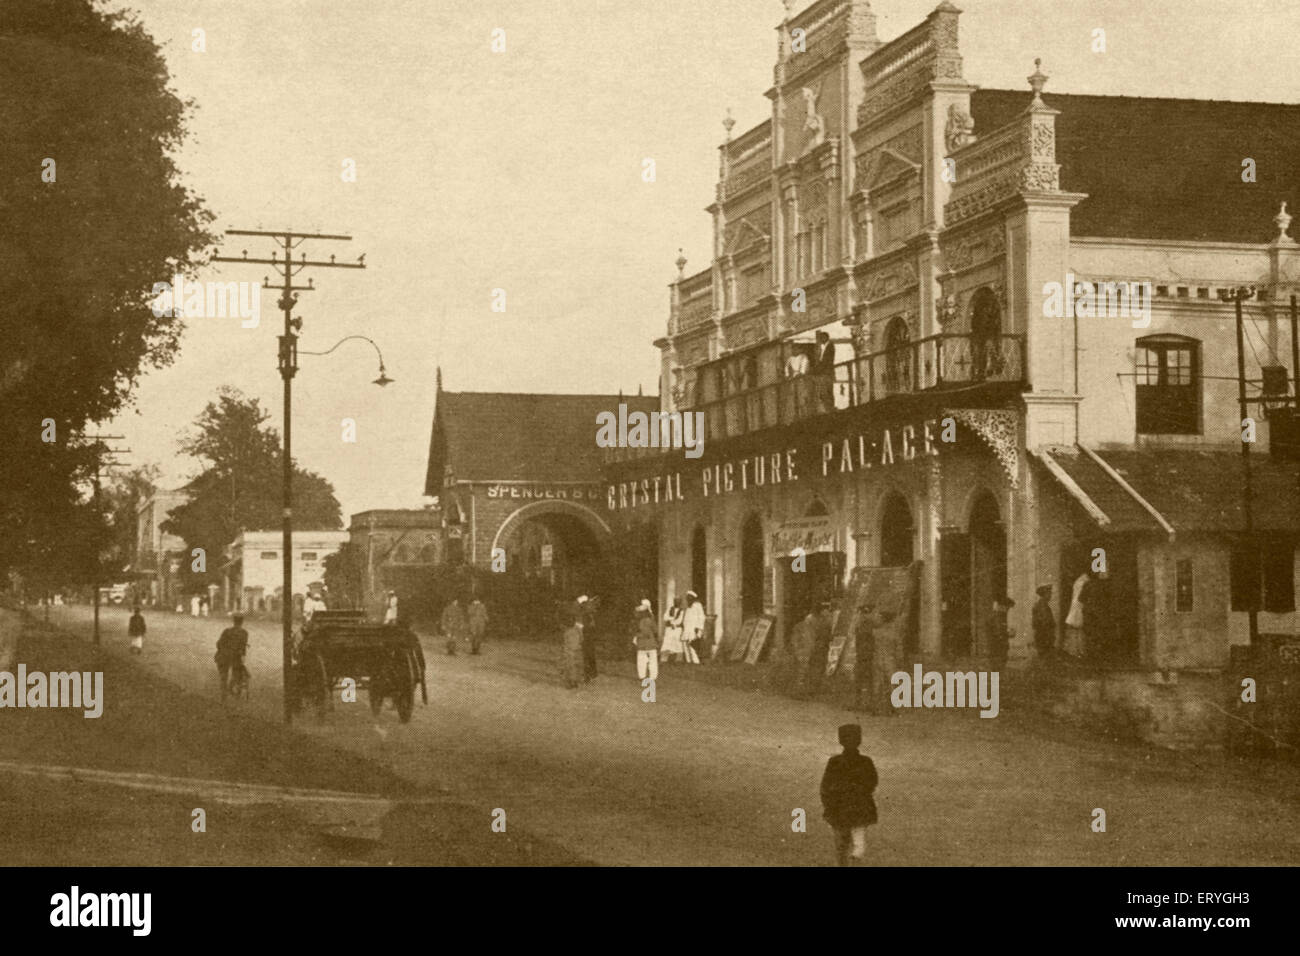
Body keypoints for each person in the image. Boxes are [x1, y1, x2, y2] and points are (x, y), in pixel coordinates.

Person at [820, 723, 878, 867]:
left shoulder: (836, 762)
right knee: (855, 847)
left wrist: (830, 804)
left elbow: (826, 787)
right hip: (856, 810)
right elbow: (871, 783)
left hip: (843, 810)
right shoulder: (865, 761)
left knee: (845, 847)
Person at [853, 602, 896, 714]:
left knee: (875, 683)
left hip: (873, 658)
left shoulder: (874, 630)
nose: (865, 615)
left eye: (866, 613)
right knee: (889, 683)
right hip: (886, 659)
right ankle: (891, 707)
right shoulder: (890, 631)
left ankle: (874, 707)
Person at [215, 613, 249, 702]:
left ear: (234, 621)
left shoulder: (227, 631)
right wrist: (242, 658)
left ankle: (223, 696)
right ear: (242, 622)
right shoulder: (244, 633)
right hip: (236, 657)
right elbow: (243, 648)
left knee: (223, 677)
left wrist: (222, 650)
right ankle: (233, 692)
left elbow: (219, 643)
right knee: (236, 675)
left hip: (224, 655)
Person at [631, 598, 660, 682]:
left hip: (642, 642)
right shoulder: (651, 618)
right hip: (650, 642)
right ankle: (652, 676)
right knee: (652, 659)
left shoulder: (640, 620)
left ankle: (642, 676)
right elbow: (655, 630)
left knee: (642, 659)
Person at [1064, 571, 1089, 659]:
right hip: (1078, 605)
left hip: (1076, 605)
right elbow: (1080, 596)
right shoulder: (1083, 581)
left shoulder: (1078, 581)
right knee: (1077, 628)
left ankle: (1076, 650)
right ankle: (1077, 650)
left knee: (1076, 629)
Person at [812, 329, 836, 412]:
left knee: (828, 390)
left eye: (822, 338)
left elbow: (827, 360)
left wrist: (818, 369)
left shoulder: (830, 346)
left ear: (826, 337)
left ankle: (830, 407)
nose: (821, 340)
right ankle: (828, 407)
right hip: (825, 372)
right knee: (826, 390)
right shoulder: (824, 347)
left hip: (827, 372)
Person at [561, 609, 584, 689]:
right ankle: (574, 681)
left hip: (571, 650)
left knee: (571, 666)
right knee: (574, 666)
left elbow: (565, 642)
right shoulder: (577, 629)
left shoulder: (568, 631)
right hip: (575, 649)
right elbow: (581, 639)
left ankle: (572, 681)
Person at [989, 594, 1014, 668]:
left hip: (998, 649)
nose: (1007, 610)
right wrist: (1009, 634)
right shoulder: (998, 617)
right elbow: (998, 634)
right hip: (998, 650)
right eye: (1007, 608)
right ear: (1002, 606)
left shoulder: (998, 616)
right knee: (998, 669)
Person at [578, 595, 599, 680]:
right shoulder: (591, 611)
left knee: (586, 655)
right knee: (590, 654)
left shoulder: (584, 611)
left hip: (586, 634)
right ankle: (593, 672)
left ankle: (587, 674)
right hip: (590, 634)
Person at [1032, 584, 1056, 659]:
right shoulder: (1042, 606)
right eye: (1048, 593)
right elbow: (1045, 621)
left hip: (1043, 635)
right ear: (1044, 595)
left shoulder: (1043, 604)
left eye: (1050, 593)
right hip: (1043, 635)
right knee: (1044, 656)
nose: (1050, 595)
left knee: (1044, 655)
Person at [681, 591, 705, 665]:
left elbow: (702, 617)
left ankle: (696, 661)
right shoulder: (688, 607)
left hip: (694, 628)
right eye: (687, 598)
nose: (688, 599)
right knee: (685, 644)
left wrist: (698, 628)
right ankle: (688, 660)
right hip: (687, 629)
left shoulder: (698, 605)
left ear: (693, 598)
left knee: (692, 645)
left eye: (690, 597)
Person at [661, 598, 685, 662]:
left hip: (677, 629)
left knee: (678, 643)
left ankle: (679, 659)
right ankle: (664, 659)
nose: (676, 602)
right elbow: (665, 617)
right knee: (666, 643)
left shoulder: (681, 611)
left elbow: (679, 620)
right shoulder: (670, 609)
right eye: (675, 601)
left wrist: (672, 621)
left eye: (678, 601)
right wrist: (672, 618)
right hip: (669, 629)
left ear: (680, 602)